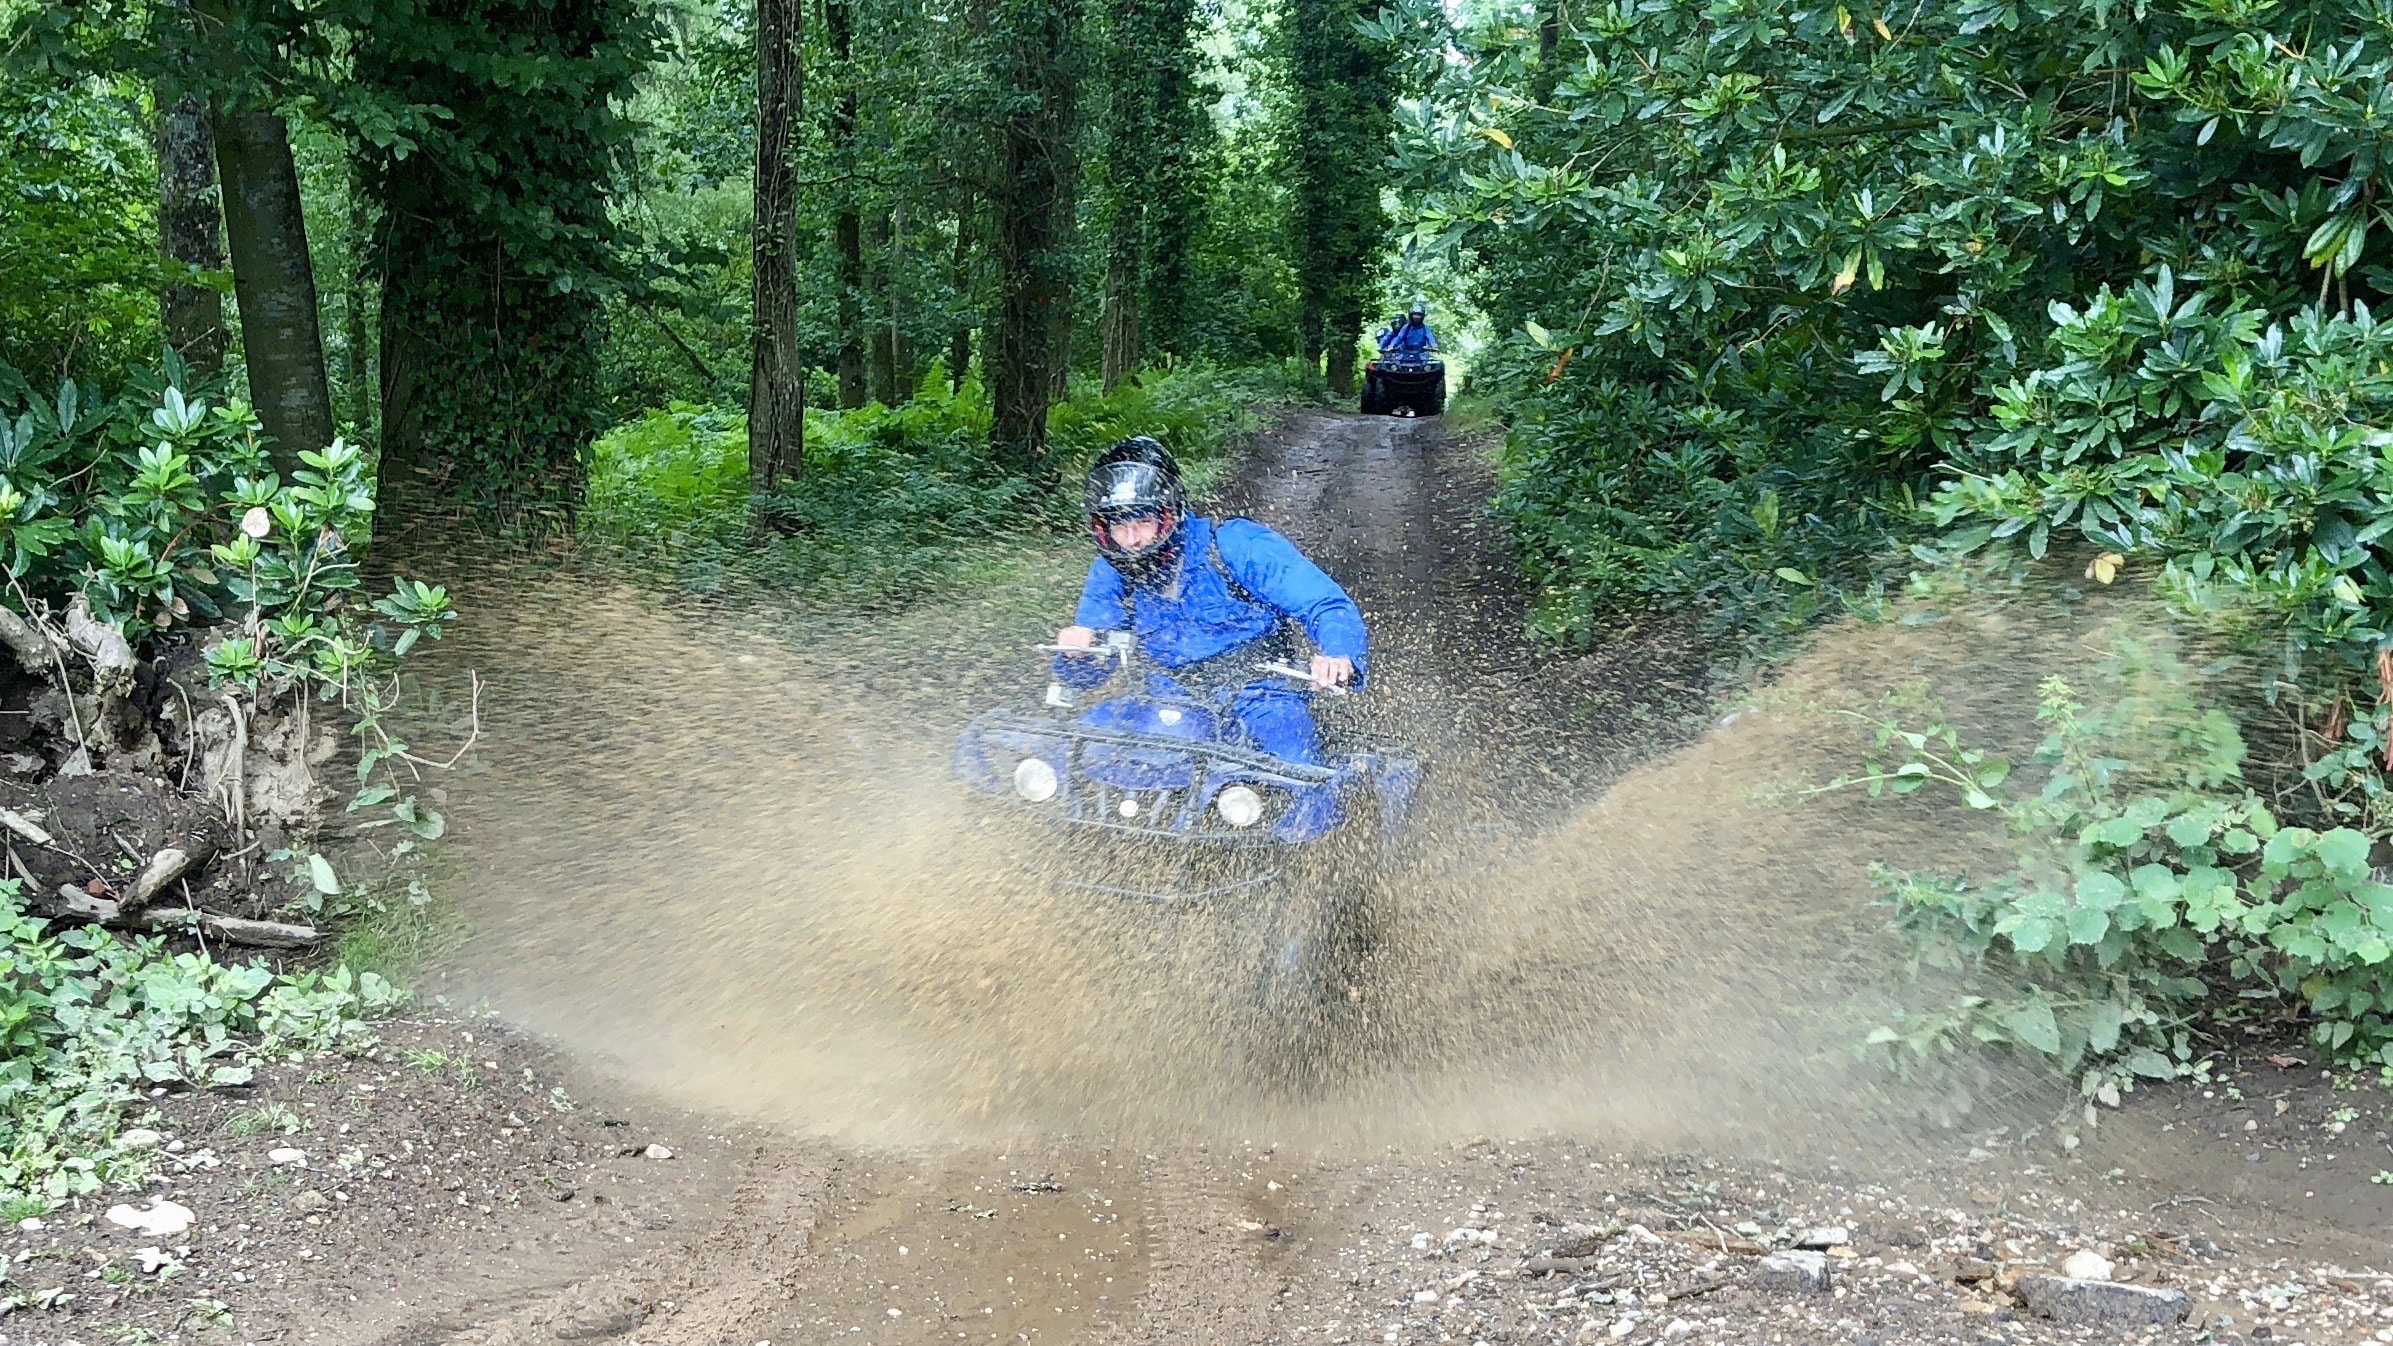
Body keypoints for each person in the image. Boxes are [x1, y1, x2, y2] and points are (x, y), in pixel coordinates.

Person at [1053, 437, 1366, 766]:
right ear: (1104, 528)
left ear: (1168, 514)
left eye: (1143, 522)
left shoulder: (1234, 544)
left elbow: (1326, 604)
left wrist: (1337, 653)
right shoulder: (1111, 571)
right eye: (1119, 525)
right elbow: (1088, 676)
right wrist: (1078, 653)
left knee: (1297, 767)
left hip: (1259, 693)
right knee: (1070, 752)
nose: (1131, 540)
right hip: (1162, 696)